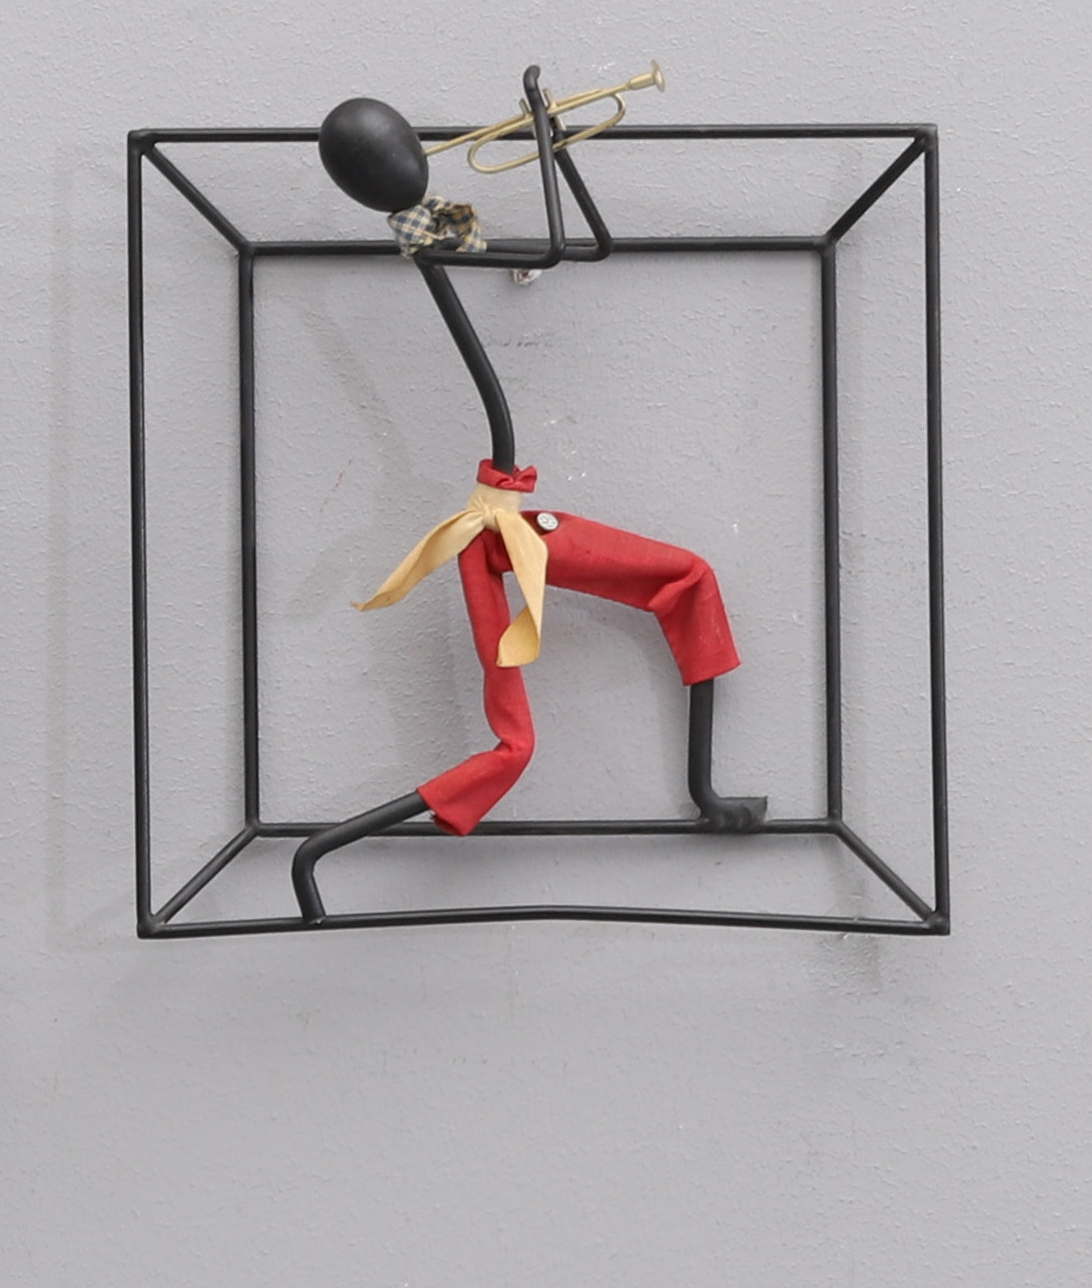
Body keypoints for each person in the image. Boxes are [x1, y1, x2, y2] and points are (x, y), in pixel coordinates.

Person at [292, 75, 764, 922]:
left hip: (502, 522)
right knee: (522, 739)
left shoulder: (436, 230)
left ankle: (703, 791)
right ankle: (317, 853)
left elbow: (577, 246)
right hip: (497, 532)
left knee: (684, 580)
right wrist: (546, 131)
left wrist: (551, 143)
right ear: (393, 168)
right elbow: (563, 246)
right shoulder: (429, 236)